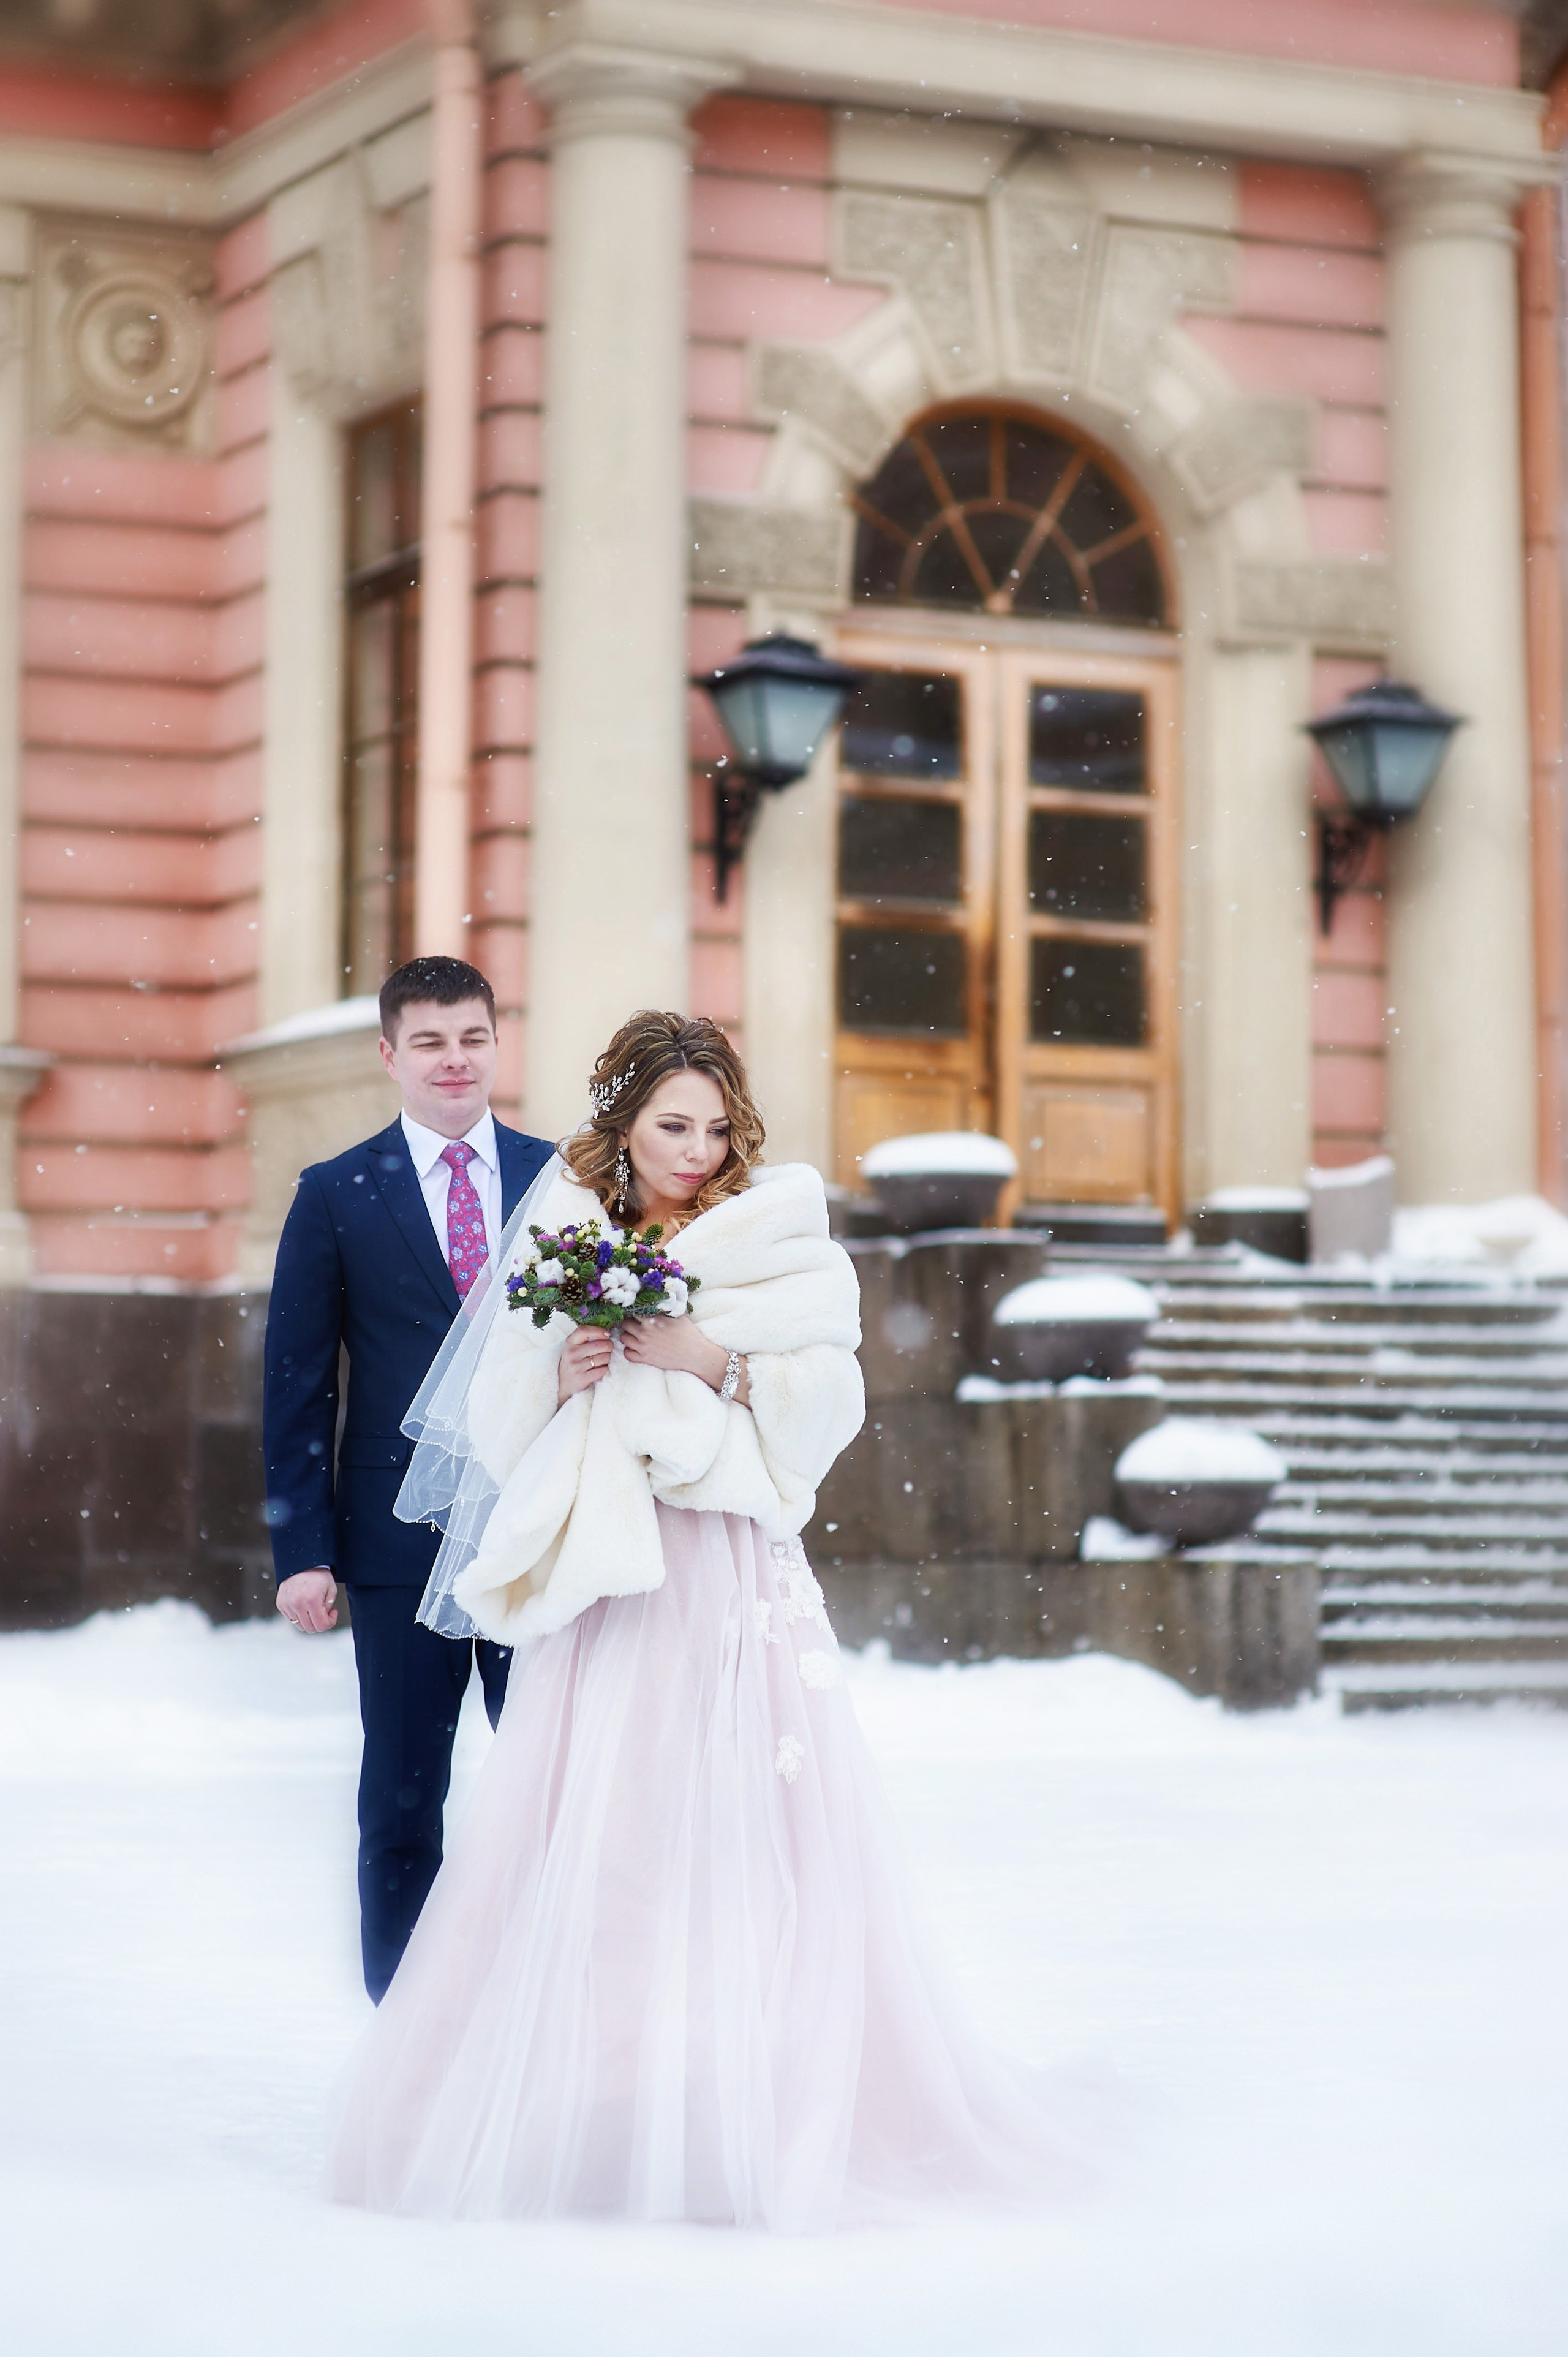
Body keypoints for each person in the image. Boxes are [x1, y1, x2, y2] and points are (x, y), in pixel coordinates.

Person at [328, 1010, 1068, 2230]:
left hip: (725, 1563)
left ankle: (749, 2099)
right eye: (672, 1124)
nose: (696, 1148)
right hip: (611, 1579)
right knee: (609, 1838)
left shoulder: (783, 1235)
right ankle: (603, 2103)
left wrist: (708, 1358)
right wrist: (568, 1380)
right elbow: (496, 1422)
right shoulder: (568, 1230)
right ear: (620, 1125)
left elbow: (827, 1402)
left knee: (741, 1832)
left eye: (715, 1126)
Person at [263, 956, 554, 2001]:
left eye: (472, 1036)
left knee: (558, 1790)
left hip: (544, 1536)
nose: (454, 1060)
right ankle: (410, 2034)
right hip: (396, 1547)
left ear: (494, 1041)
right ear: (390, 1055)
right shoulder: (336, 1196)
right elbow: (298, 1389)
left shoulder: (563, 1178)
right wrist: (304, 1552)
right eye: (429, 1041)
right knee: (401, 1798)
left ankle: (546, 2015)